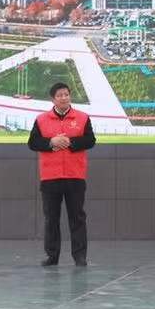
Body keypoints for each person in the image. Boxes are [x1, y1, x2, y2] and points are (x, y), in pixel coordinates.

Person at [27, 82, 95, 266]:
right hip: (50, 176)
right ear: (53, 99)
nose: (64, 98)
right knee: (51, 218)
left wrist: (70, 142)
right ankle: (52, 256)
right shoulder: (41, 119)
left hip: (75, 175)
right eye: (60, 95)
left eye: (66, 94)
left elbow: (90, 140)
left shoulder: (82, 117)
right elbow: (33, 143)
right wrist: (51, 142)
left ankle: (80, 256)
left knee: (77, 218)